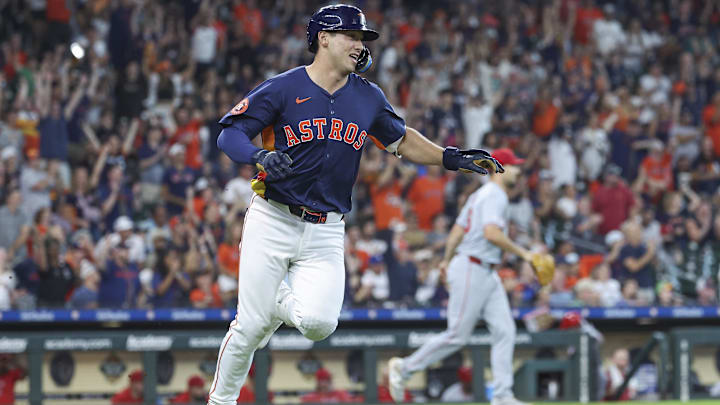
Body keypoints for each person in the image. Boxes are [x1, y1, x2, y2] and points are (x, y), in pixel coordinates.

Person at [207, 4, 502, 404]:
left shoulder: (366, 96)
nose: (359, 44)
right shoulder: (283, 87)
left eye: (362, 38)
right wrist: (258, 157)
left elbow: (400, 139)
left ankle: (278, 300)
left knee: (319, 323)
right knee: (250, 328)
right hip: (274, 218)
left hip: (327, 228)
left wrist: (449, 157)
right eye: (351, 36)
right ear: (323, 39)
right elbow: (230, 134)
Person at [389, 149, 535, 405]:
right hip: (472, 267)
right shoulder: (495, 195)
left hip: (484, 270)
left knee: (505, 330)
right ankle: (405, 367)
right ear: (498, 168)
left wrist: (446, 259)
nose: (519, 171)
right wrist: (525, 254)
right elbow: (491, 233)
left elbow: (458, 229)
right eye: (513, 166)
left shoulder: (480, 195)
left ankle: (502, 395)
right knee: (458, 334)